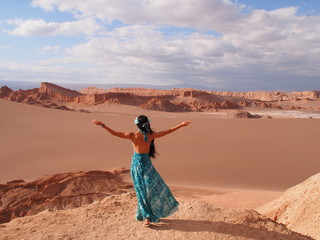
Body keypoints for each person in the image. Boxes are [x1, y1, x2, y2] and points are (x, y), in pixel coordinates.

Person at [92, 115, 191, 226]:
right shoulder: (151, 135)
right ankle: (146, 216)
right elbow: (167, 131)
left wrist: (102, 125)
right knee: (149, 189)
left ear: (137, 125)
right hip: (146, 165)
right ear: (148, 124)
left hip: (137, 166)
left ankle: (147, 214)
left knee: (142, 191)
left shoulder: (132, 136)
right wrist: (181, 125)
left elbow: (115, 133)